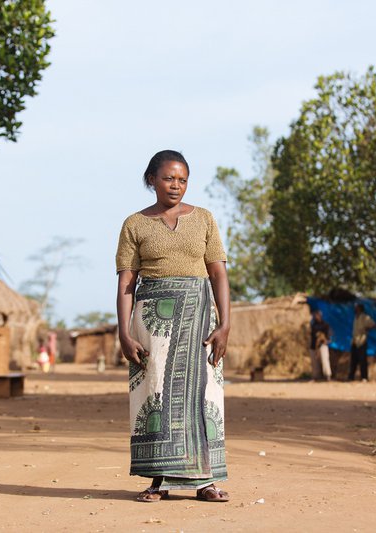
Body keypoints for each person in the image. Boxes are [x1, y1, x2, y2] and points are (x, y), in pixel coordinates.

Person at [116, 150, 231, 503]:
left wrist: (225, 324)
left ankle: (206, 481)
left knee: (204, 396)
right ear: (152, 179)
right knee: (155, 394)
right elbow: (126, 282)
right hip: (154, 322)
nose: (176, 185)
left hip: (200, 318)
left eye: (182, 180)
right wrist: (123, 332)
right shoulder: (134, 224)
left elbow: (218, 273)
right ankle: (159, 481)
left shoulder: (204, 219)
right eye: (168, 178)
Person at [349, 303, 376, 382]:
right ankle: (351, 376)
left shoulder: (365, 317)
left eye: (356, 308)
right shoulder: (355, 318)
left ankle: (364, 377)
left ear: (360, 309)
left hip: (361, 341)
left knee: (362, 360)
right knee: (353, 360)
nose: (355, 309)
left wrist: (366, 329)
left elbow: (374, 325)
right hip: (354, 341)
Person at [309, 310, 332, 381]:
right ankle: (316, 376)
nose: (316, 317)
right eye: (315, 315)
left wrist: (324, 340)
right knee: (315, 362)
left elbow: (328, 337)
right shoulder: (313, 325)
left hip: (322, 345)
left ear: (320, 316)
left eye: (317, 315)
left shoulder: (325, 325)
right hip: (313, 346)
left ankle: (327, 375)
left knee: (325, 360)